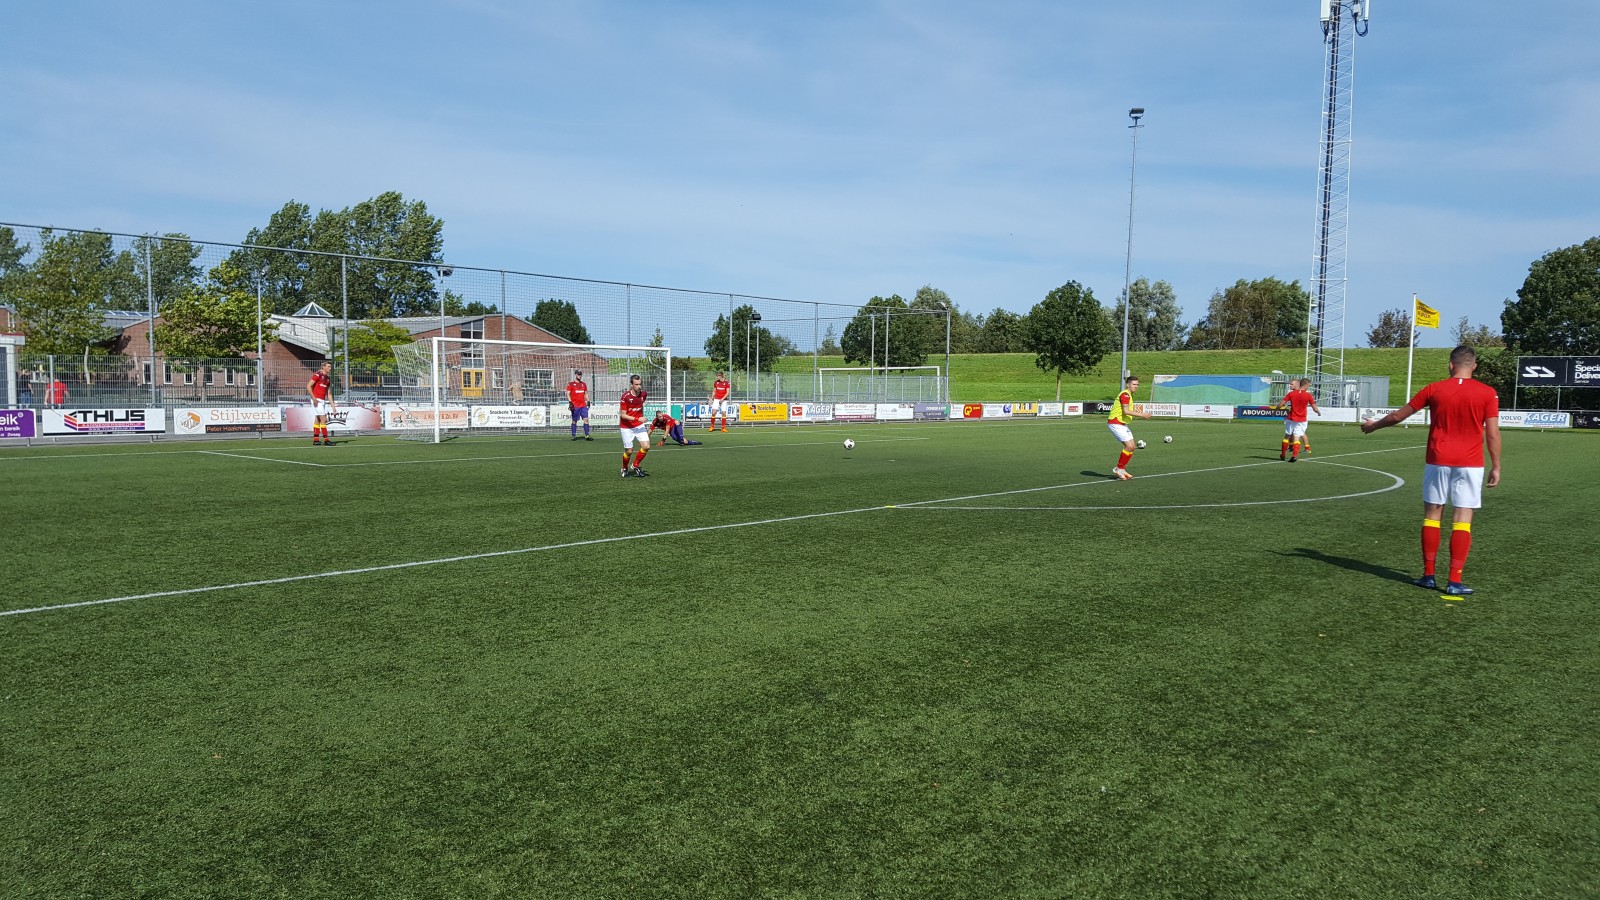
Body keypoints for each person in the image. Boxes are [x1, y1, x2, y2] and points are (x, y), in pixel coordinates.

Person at [1361, 345, 1502, 596]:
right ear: (1474, 366)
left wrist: (1374, 426)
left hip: (1438, 459)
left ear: (1450, 365)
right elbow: (1492, 433)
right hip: (1470, 463)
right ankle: (1454, 581)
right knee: (1462, 519)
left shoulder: (1434, 389)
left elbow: (1397, 416)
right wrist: (1497, 466)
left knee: (1432, 516)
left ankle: (1428, 576)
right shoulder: (1487, 393)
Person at [1107, 375, 1152, 480]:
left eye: (1137, 384)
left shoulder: (1129, 395)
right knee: (1129, 446)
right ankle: (1119, 468)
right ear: (1128, 385)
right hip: (1115, 423)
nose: (1136, 386)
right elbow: (1126, 411)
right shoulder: (1125, 395)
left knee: (1132, 446)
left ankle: (1121, 469)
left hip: (1122, 424)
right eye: (1134, 384)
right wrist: (1143, 415)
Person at [1275, 378, 1322, 462]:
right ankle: (1294, 456)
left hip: (1291, 418)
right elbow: (1314, 408)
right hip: (1301, 419)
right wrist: (1318, 412)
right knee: (1297, 437)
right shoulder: (1308, 395)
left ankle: (1283, 455)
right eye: (1309, 385)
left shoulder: (1291, 393)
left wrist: (1277, 409)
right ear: (1306, 385)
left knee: (1287, 436)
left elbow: (1281, 404)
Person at [618, 373, 651, 477]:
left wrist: (639, 419)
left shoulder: (643, 394)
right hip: (626, 427)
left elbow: (639, 405)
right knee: (629, 451)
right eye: (636, 384)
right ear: (631, 385)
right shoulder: (625, 397)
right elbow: (623, 415)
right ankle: (624, 468)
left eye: (640, 384)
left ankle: (635, 464)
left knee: (646, 446)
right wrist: (638, 418)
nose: (639, 386)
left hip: (639, 426)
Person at [307, 361, 335, 446]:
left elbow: (329, 394)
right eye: (328, 366)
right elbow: (308, 386)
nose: (330, 368)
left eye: (330, 367)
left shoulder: (327, 379)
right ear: (323, 367)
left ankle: (316, 440)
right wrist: (314, 398)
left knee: (318, 419)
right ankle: (326, 440)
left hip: (322, 400)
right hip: (317, 400)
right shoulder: (317, 375)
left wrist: (333, 407)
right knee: (324, 419)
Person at [566, 369, 592, 441]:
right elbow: (568, 394)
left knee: (586, 420)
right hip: (575, 406)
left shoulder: (584, 384)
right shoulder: (571, 384)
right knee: (574, 421)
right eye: (578, 374)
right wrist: (570, 402)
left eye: (580, 374)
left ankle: (587, 435)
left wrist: (588, 401)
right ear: (575, 375)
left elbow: (586, 394)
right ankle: (573, 435)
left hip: (583, 405)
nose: (579, 376)